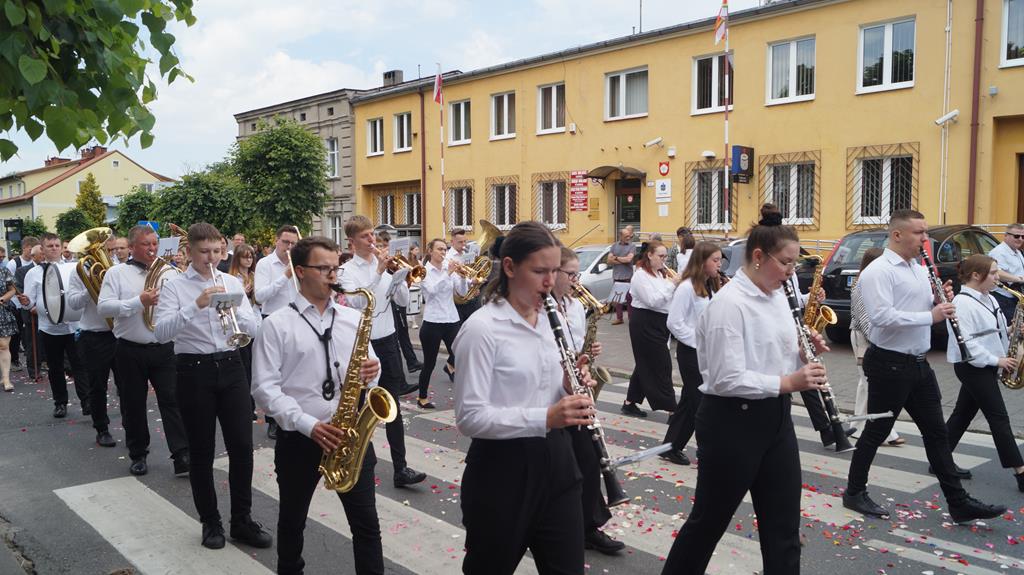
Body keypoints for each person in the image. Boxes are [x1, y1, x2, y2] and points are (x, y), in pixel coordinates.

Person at [661, 211, 830, 575]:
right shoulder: (729, 304)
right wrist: (790, 382)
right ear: (758, 257)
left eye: (794, 263)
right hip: (731, 422)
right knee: (708, 523)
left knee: (783, 527)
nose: (791, 271)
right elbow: (725, 377)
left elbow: (774, 353)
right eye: (785, 262)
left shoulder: (779, 297)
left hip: (775, 418)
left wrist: (802, 350)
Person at [842, 209, 1007, 523]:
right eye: (919, 233)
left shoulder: (919, 269)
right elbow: (881, 318)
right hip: (889, 363)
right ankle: (853, 492)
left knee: (936, 434)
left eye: (925, 232)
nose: (925, 239)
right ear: (898, 235)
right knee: (875, 432)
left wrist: (939, 301)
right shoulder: (879, 271)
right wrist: (930, 316)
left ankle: (958, 502)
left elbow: (922, 309)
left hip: (918, 364)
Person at [454, 220, 596, 574]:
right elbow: (469, 417)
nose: (550, 282)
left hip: (558, 464)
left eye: (554, 271)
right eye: (539, 271)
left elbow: (553, 387)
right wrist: (546, 417)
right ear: (509, 267)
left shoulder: (554, 319)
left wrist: (570, 384)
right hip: (502, 471)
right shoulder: (482, 329)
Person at [253, 235, 385, 575]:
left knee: (367, 527)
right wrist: (307, 425)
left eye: (335, 267)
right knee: (292, 522)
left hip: (349, 436)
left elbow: (369, 368)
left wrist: (374, 370)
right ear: (300, 271)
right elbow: (264, 390)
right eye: (323, 268)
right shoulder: (276, 324)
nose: (332, 274)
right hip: (301, 438)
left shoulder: (353, 318)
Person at [153, 222, 271, 550]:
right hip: (194, 371)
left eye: (217, 251)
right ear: (189, 252)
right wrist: (197, 305)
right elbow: (161, 332)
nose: (211, 259)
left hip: (231, 366)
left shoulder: (231, 281)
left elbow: (254, 327)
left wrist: (238, 310)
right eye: (204, 252)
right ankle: (211, 522)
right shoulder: (176, 286)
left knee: (242, 449)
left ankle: (242, 520)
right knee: (202, 452)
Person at [340, 215, 425, 488]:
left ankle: (401, 468)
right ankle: (356, 463)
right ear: (352, 242)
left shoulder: (384, 267)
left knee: (393, 407)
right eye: (365, 236)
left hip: (387, 342)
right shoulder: (346, 271)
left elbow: (399, 301)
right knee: (360, 406)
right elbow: (358, 302)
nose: (372, 240)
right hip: (362, 345)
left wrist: (399, 278)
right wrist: (378, 272)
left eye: (372, 235)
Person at [97, 225, 189, 477]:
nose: (152, 249)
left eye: (154, 244)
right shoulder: (116, 273)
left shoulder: (170, 272)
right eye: (146, 244)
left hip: (164, 348)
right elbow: (104, 308)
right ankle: (138, 454)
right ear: (133, 247)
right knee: (133, 403)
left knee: (172, 401)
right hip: (130, 349)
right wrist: (139, 301)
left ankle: (181, 454)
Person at [552, 246, 623, 555]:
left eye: (576, 274)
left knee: (590, 461)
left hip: (577, 391)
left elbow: (576, 347)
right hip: (553, 401)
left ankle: (589, 527)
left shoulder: (577, 307)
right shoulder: (542, 309)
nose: (575, 280)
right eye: (570, 274)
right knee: (563, 469)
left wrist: (586, 357)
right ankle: (560, 528)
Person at [944, 254, 1024, 492]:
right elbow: (966, 343)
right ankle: (1020, 471)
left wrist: (1012, 329)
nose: (998, 278)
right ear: (976, 275)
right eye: (993, 273)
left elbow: (992, 330)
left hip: (987, 365)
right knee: (998, 417)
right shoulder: (962, 303)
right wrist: (997, 360)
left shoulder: (989, 299)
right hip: (972, 366)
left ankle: (940, 459)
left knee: (962, 414)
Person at [661, 241, 723, 466]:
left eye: (719, 260)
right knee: (702, 405)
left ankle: (671, 446)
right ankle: (708, 451)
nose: (719, 264)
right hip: (691, 353)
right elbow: (674, 323)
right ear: (701, 261)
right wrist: (700, 341)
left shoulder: (710, 285)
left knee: (689, 403)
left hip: (706, 352)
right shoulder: (687, 287)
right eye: (714, 260)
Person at [16, 233, 90, 418]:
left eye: (57, 245)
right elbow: (30, 301)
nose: (55, 248)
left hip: (74, 326)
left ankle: (87, 401)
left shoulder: (74, 268)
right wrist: (26, 302)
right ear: (42, 248)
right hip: (49, 328)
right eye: (50, 246)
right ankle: (60, 403)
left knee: (79, 365)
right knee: (55, 367)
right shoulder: (33, 273)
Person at [850, 247, 904, 446]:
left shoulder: (872, 282)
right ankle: (875, 430)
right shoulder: (862, 285)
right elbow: (865, 319)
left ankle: (862, 426)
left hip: (872, 337)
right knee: (869, 383)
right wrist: (880, 341)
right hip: (864, 338)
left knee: (867, 383)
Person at [67, 248, 120, 447]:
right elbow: (73, 303)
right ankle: (102, 428)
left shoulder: (117, 269)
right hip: (94, 335)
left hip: (119, 333)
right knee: (97, 385)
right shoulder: (79, 271)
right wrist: (90, 288)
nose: (109, 250)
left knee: (127, 384)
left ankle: (132, 426)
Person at [621, 240, 680, 418]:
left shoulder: (662, 275)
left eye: (665, 256)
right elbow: (652, 301)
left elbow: (667, 300)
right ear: (650, 255)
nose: (664, 260)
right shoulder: (640, 275)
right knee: (662, 364)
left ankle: (630, 402)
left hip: (661, 322)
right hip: (645, 322)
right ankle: (672, 410)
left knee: (645, 363)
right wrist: (673, 285)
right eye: (661, 256)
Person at [254, 224, 300, 439]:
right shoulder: (265, 264)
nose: (289, 247)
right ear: (276, 241)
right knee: (274, 374)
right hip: (272, 321)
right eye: (285, 242)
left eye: (293, 243)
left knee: (294, 371)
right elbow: (261, 296)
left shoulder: (298, 263)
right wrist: (285, 276)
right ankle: (273, 420)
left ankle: (293, 414)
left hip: (296, 320)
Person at [417, 239, 468, 408]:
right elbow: (430, 292)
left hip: (451, 319)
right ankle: (422, 397)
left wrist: (461, 276)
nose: (443, 252)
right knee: (430, 363)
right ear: (430, 251)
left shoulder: (449, 269)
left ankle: (466, 396)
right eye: (439, 249)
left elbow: (462, 292)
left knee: (461, 355)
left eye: (445, 249)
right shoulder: (423, 271)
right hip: (433, 321)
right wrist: (448, 274)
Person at [376, 231, 421, 373]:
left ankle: (411, 362)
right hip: (387, 305)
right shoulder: (381, 264)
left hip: (398, 300)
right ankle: (408, 366)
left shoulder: (396, 260)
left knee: (402, 333)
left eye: (386, 246)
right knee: (397, 337)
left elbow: (406, 282)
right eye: (381, 246)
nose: (383, 249)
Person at [987, 223, 1024, 324]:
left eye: (1023, 236)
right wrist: (1019, 279)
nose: (1020, 239)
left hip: (1014, 298)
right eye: (1016, 236)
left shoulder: (1017, 251)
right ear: (1006, 235)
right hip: (1003, 298)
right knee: (1010, 328)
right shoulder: (998, 252)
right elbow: (996, 272)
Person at [14, 243, 42, 379]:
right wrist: (31, 306)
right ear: (33, 256)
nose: (44, 255)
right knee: (33, 343)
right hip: (31, 312)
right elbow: (19, 290)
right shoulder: (22, 270)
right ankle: (34, 370)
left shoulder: (51, 268)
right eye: (41, 253)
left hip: (48, 311)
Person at [447, 228, 481, 322]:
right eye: (460, 242)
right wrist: (471, 282)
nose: (464, 245)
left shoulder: (467, 254)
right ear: (452, 242)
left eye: (465, 242)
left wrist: (476, 284)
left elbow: (472, 272)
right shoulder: (448, 258)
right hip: (458, 303)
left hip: (472, 299)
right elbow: (456, 280)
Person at [607, 225, 635, 325]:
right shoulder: (614, 246)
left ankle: (631, 318)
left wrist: (616, 258)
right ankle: (619, 318)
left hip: (627, 277)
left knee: (629, 299)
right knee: (617, 299)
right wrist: (622, 260)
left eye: (629, 236)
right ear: (621, 236)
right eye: (626, 236)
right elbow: (609, 260)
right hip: (617, 277)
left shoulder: (632, 246)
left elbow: (629, 259)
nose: (629, 238)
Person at [0, 265, 17, 392]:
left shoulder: (3, 270)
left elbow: (12, 290)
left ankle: (6, 378)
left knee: (4, 346)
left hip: (1, 312)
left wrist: (2, 299)